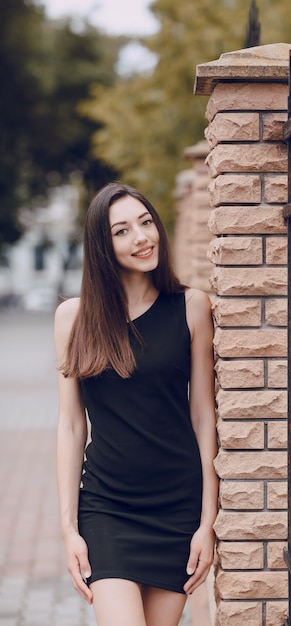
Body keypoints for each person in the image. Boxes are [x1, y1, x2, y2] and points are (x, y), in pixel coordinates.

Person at [54, 182, 218, 626]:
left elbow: (203, 416)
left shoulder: (192, 308)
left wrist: (207, 521)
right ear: (102, 246)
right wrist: (69, 529)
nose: (142, 237)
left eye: (146, 223)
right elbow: (71, 426)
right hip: (108, 506)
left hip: (177, 506)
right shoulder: (73, 318)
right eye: (122, 231)